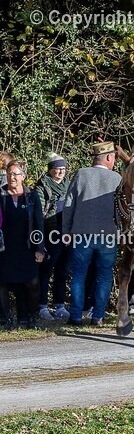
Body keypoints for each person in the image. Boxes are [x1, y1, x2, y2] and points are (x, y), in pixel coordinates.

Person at [63, 140, 122, 326]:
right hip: (109, 236)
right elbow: (122, 211)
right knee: (104, 276)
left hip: (82, 234)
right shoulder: (117, 178)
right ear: (108, 157)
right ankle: (98, 316)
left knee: (79, 275)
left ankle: (75, 316)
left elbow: (68, 205)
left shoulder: (81, 174)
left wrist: (66, 230)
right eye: (113, 157)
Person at [0, 160, 46, 328]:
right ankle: (6, 319)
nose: (11, 177)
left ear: (23, 176)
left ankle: (31, 317)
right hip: (4, 247)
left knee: (32, 283)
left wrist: (40, 248)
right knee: (2, 282)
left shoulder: (32, 196)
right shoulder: (1, 195)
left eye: (15, 174)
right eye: (9, 173)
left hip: (27, 246)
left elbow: (39, 223)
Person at [35, 152, 70, 322]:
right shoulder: (42, 186)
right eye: (57, 169)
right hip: (51, 234)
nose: (60, 172)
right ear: (50, 170)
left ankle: (60, 305)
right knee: (46, 271)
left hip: (66, 235)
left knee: (62, 271)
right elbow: (39, 215)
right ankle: (41, 305)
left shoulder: (69, 186)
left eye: (63, 169)